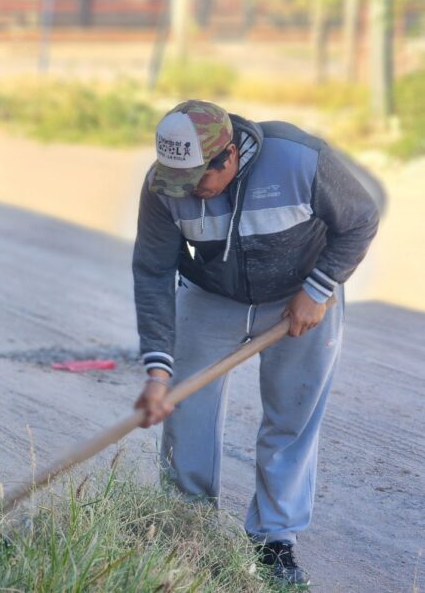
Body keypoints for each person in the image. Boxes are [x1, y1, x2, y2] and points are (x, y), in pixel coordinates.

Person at [132, 100, 378, 585]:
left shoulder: (299, 160)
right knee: (185, 408)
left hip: (302, 295)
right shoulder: (164, 185)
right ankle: (190, 526)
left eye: (198, 181)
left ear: (229, 156)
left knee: (293, 415)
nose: (189, 195)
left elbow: (360, 219)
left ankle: (273, 540)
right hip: (211, 294)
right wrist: (158, 372)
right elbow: (153, 272)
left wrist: (319, 289)